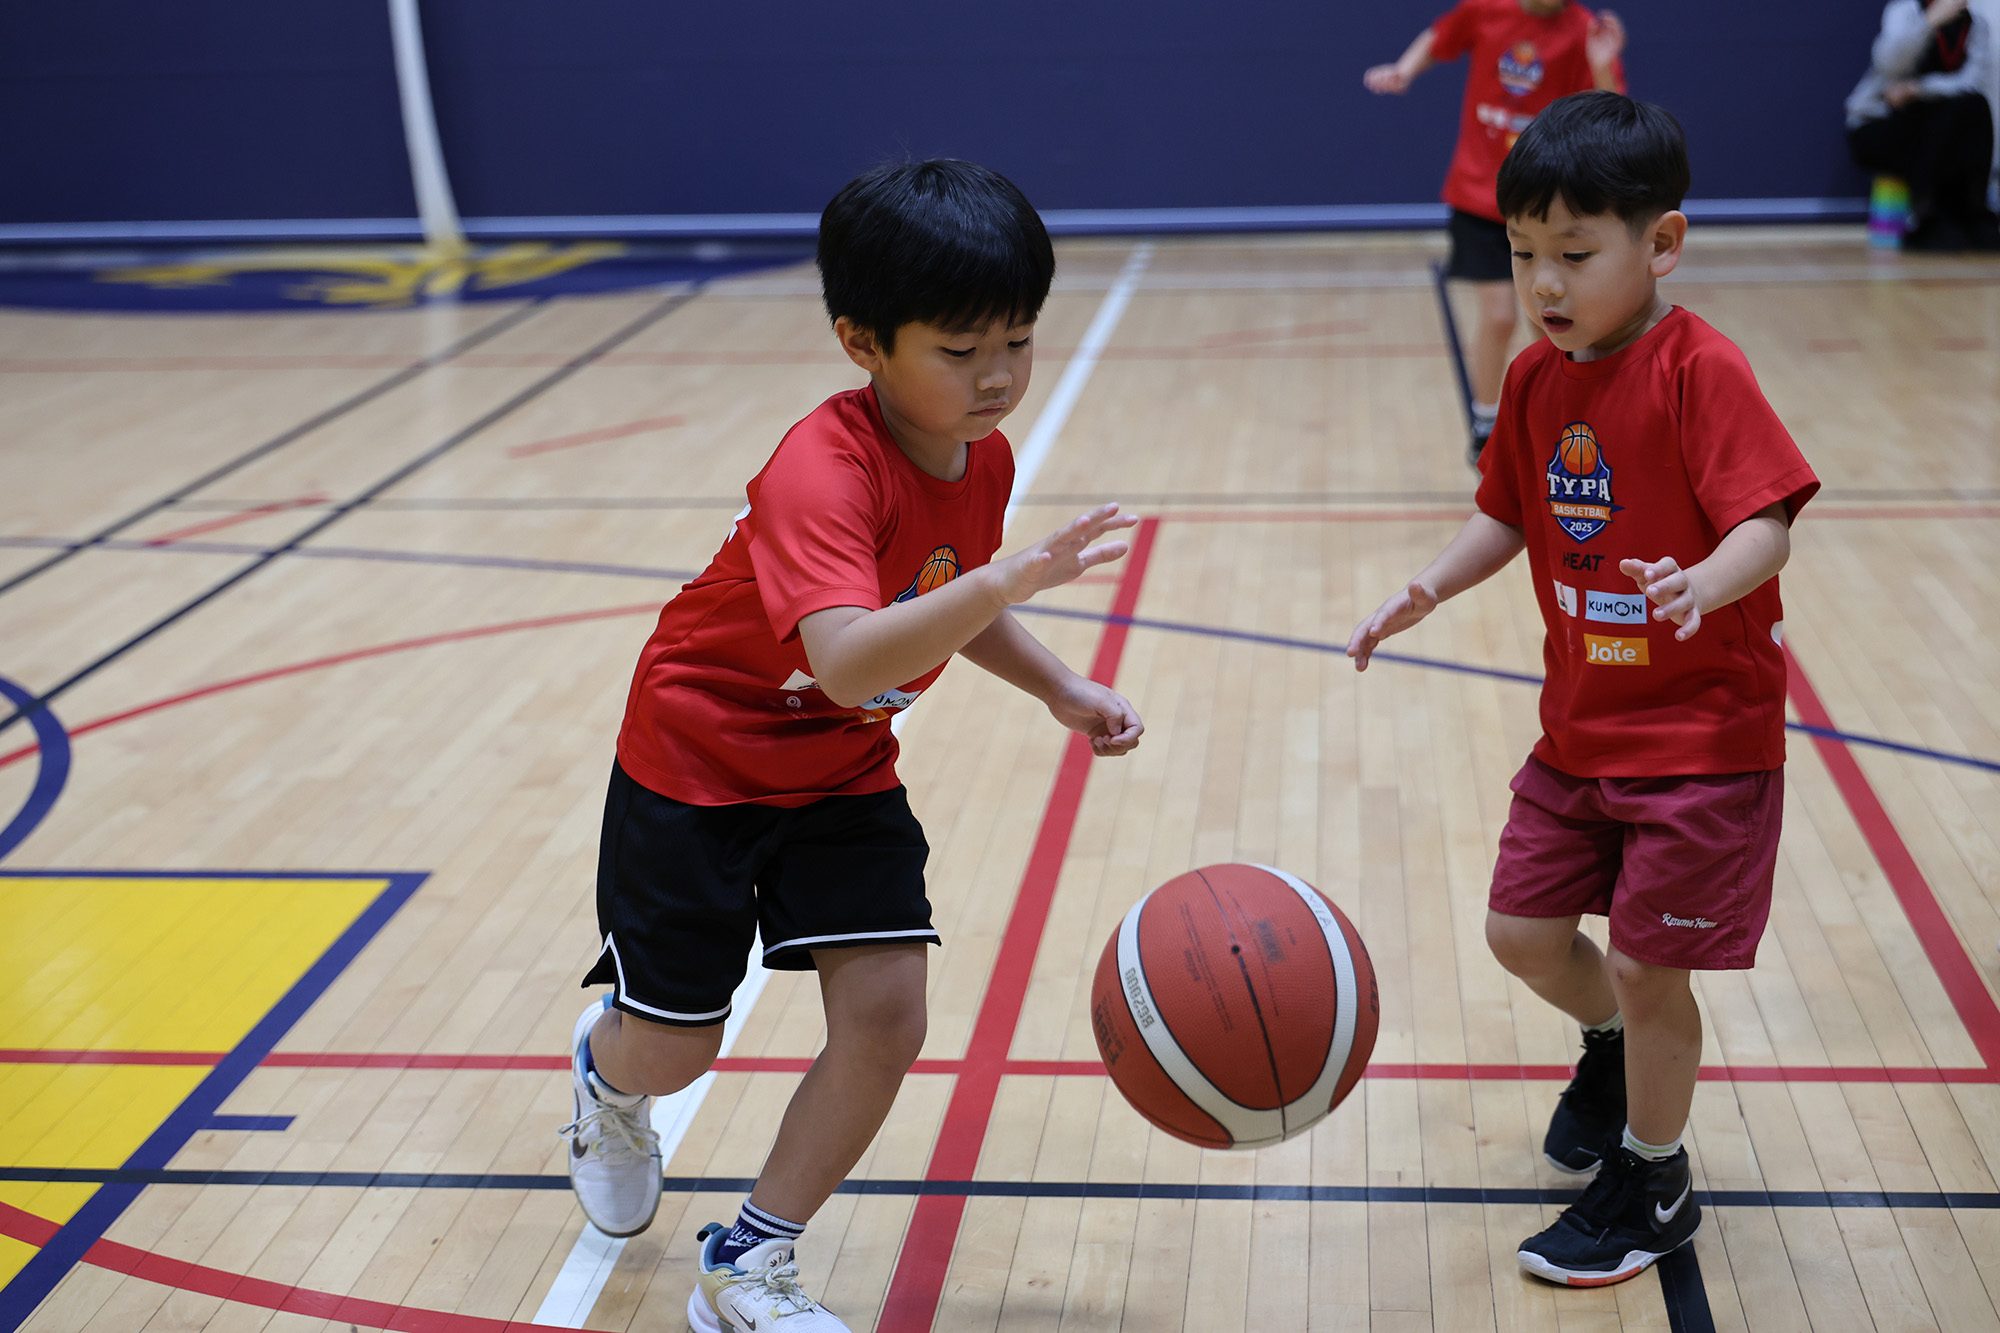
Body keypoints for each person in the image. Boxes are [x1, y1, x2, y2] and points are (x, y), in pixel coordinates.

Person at [559, 159, 1145, 1333]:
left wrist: (1058, 685)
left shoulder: (978, 453)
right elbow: (847, 658)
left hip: (838, 768)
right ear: (861, 342)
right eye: (960, 349)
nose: (997, 376)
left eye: (1018, 341)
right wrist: (1003, 579)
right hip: (699, 766)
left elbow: (934, 599)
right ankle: (609, 1076)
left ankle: (750, 1257)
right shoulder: (820, 473)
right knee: (675, 1054)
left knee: (885, 1014)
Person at [1346, 92, 1819, 1286]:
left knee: (1654, 965)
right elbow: (1506, 512)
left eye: (1571, 253)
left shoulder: (1698, 368)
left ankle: (1652, 1181)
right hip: (1578, 732)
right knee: (1520, 931)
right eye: (1521, 255)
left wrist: (1701, 583)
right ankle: (1607, 1046)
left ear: (1660, 244)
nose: (1542, 284)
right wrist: (1426, 586)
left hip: (1703, 740)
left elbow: (1765, 522)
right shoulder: (1531, 379)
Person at [1365, 0, 1627, 466]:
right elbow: (1439, 37)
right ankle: (1486, 421)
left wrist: (1602, 63)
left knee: (1548, 322)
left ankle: (1556, 418)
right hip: (1479, 196)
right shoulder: (1487, 9)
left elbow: (1612, 112)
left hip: (1545, 203)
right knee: (1500, 315)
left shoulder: (1583, 29)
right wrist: (1404, 69)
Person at [1847, 0, 2000, 251]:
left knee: (1975, 106)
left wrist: (1919, 89)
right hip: (1882, 122)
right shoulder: (1905, 11)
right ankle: (1927, 215)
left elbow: (1970, 82)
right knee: (1942, 117)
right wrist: (1928, 22)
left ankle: (1974, 212)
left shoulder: (1975, 24)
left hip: (1937, 121)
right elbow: (1888, 64)